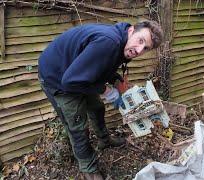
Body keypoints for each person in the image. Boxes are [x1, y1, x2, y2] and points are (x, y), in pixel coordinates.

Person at [38, 20, 164, 180]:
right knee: (77, 126)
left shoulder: (122, 44)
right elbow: (69, 81)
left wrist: (116, 80)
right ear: (131, 31)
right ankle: (88, 169)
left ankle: (104, 141)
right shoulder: (109, 42)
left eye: (145, 48)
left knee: (97, 107)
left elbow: (100, 64)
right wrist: (106, 90)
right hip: (57, 79)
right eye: (141, 41)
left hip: (76, 75)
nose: (139, 50)